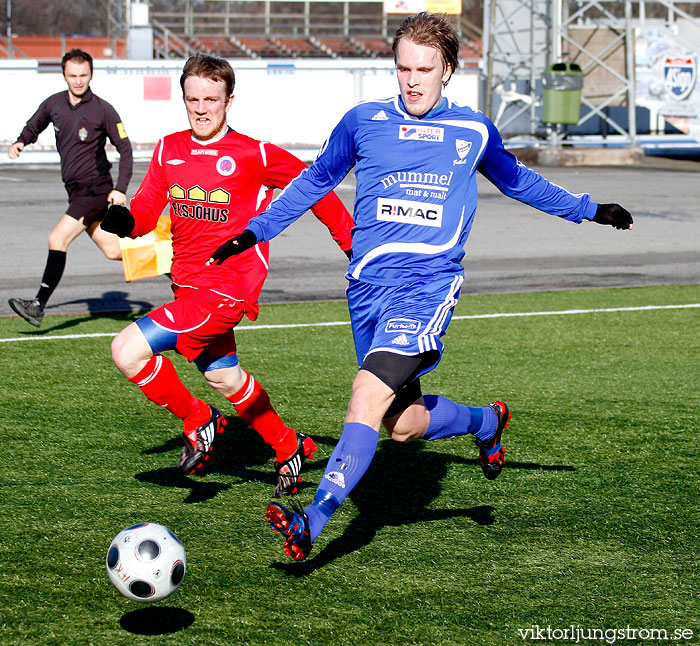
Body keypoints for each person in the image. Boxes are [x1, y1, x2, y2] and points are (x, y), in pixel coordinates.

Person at [207, 12, 634, 561]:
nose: (412, 80)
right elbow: (315, 180)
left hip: (427, 285)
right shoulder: (362, 121)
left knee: (364, 395)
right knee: (402, 426)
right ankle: (486, 420)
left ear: (448, 69)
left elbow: (519, 180)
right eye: (403, 67)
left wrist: (589, 209)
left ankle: (310, 521)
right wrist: (255, 230)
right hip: (366, 288)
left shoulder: (473, 130)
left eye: (424, 69)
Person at [100, 54, 353, 497]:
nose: (201, 108)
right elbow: (145, 211)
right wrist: (126, 222)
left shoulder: (254, 154)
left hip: (227, 290)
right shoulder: (168, 149)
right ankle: (288, 444)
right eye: (192, 99)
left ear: (228, 100)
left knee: (126, 350)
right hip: (186, 287)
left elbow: (316, 186)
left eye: (211, 99)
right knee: (224, 377)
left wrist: (352, 245)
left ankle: (199, 419)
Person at [7, 48, 133, 328]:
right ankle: (173, 265)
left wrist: (121, 188)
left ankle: (38, 305)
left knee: (57, 239)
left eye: (83, 75)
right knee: (113, 251)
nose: (78, 81)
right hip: (75, 191)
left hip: (96, 189)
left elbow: (125, 148)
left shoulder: (102, 109)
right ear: (64, 75)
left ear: (91, 75)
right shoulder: (54, 104)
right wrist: (20, 142)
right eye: (73, 75)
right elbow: (34, 125)